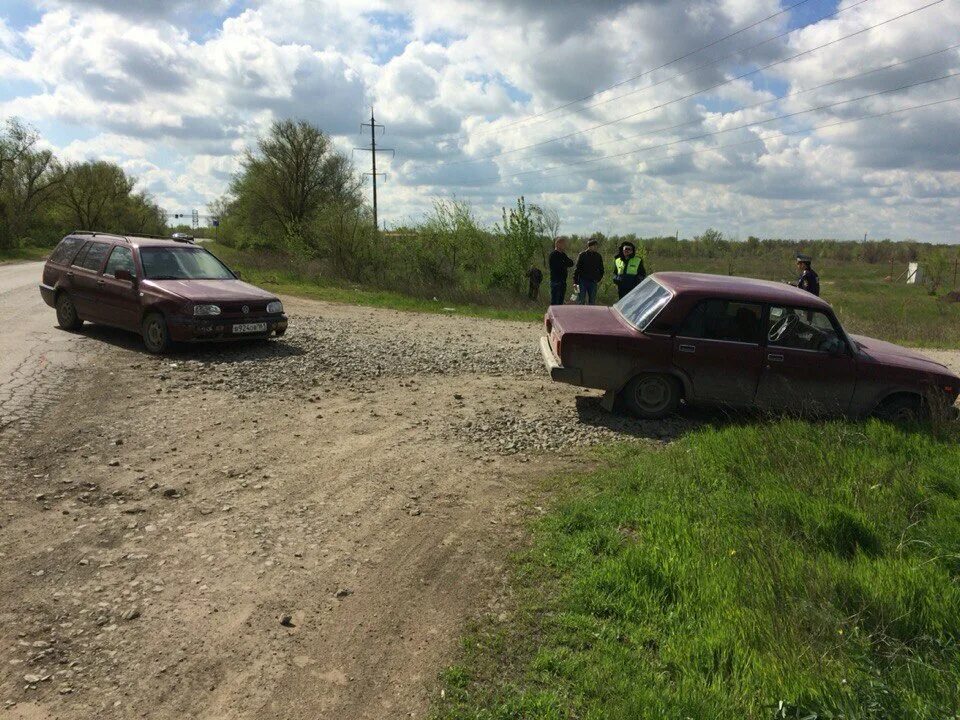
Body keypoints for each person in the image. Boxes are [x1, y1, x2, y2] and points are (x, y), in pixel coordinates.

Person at [573, 239, 604, 305]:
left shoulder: (598, 256)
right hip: (582, 281)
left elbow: (601, 269)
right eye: (594, 246)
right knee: (581, 300)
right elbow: (577, 269)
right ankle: (581, 314)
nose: (596, 247)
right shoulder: (582, 255)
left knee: (592, 301)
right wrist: (575, 282)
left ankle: (591, 315)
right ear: (590, 246)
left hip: (593, 282)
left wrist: (598, 278)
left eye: (596, 246)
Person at [548, 238, 574, 305]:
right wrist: (564, 263)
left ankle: (559, 316)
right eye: (563, 244)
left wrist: (563, 263)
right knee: (555, 302)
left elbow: (571, 263)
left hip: (563, 281)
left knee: (560, 302)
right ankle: (553, 315)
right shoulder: (553, 255)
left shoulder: (563, 255)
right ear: (558, 244)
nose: (565, 245)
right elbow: (557, 267)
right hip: (556, 281)